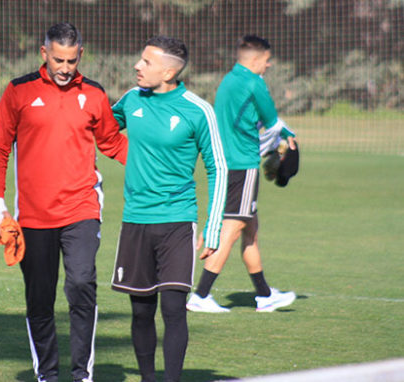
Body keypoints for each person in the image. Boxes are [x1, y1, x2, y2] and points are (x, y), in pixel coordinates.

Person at [0, 22, 128, 382]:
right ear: (43, 53)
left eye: (71, 60)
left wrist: (157, 163)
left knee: (81, 283)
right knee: (40, 299)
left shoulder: (94, 94)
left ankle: (82, 375)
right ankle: (47, 374)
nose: (65, 68)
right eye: (58, 60)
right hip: (32, 216)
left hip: (82, 209)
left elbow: (112, 142)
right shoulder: (18, 91)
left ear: (81, 54)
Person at [110, 36, 227, 382]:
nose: (137, 66)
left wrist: (214, 226)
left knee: (174, 309)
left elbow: (218, 167)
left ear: (170, 71)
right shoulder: (131, 100)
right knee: (141, 311)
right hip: (135, 221)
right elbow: (97, 130)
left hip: (178, 222)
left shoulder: (198, 110)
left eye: (146, 62)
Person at [186, 35, 296, 313]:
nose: (268, 66)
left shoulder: (229, 81)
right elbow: (271, 122)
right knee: (232, 229)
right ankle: (200, 296)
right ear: (257, 60)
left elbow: (244, 121)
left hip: (225, 162)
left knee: (250, 230)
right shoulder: (254, 82)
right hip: (242, 165)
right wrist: (289, 138)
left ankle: (264, 295)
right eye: (267, 61)